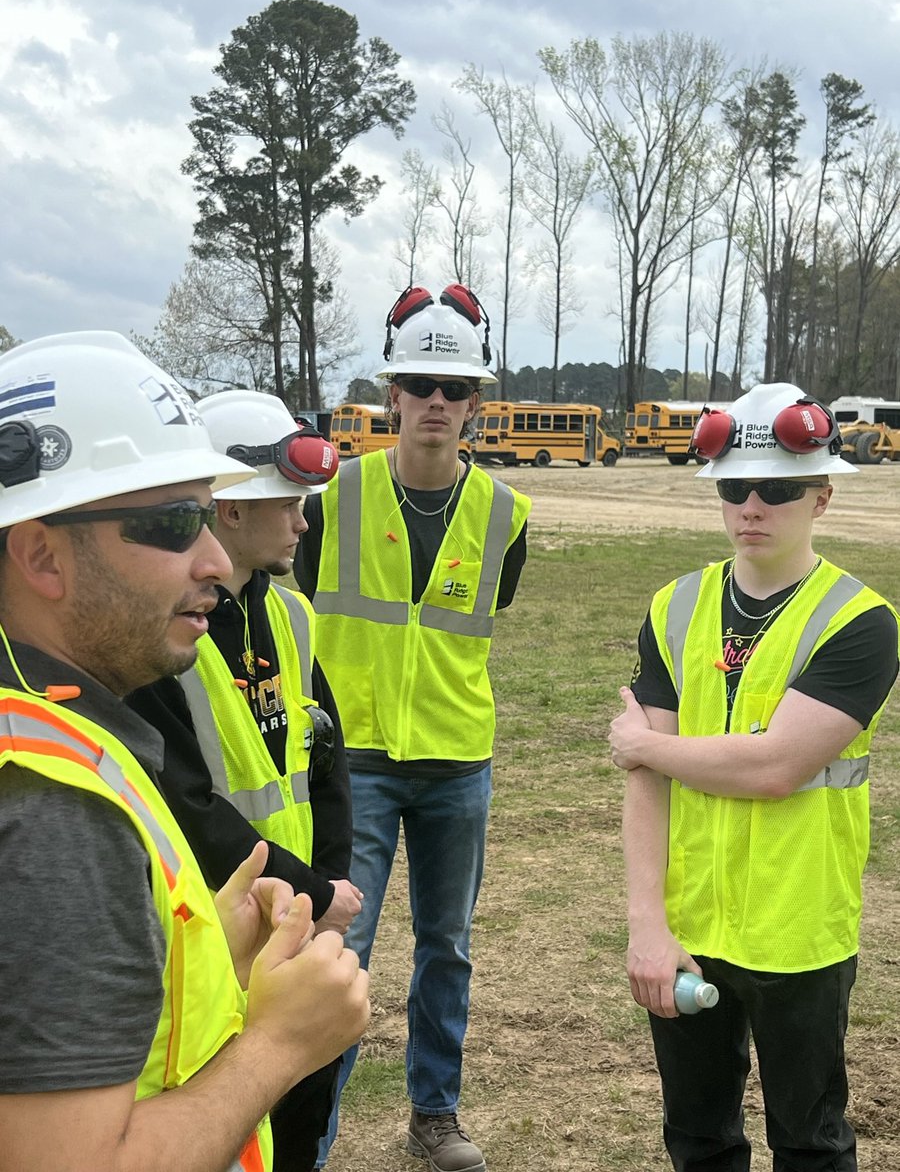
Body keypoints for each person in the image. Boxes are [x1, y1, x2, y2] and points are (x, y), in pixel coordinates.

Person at [0, 332, 369, 1172]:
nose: (211, 558)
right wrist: (280, 1046)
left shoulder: (61, 727)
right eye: (171, 523)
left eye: (207, 516)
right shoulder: (54, 811)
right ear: (40, 554)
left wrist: (201, 959)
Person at [609, 382, 899, 1172]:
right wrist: (647, 926)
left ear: (823, 497)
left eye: (778, 489)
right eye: (737, 487)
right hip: (689, 921)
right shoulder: (675, 607)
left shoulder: (860, 621)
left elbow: (778, 767)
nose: (753, 506)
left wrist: (648, 746)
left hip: (799, 929)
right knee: (697, 1140)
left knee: (811, 1144)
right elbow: (646, 789)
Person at [295, 285, 531, 1172]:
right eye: (421, 383)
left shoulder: (508, 516)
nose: (438, 402)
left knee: (448, 947)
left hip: (456, 762)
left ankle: (434, 1115)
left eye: (456, 387)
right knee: (338, 946)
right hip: (352, 760)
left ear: (478, 403)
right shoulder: (329, 500)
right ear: (391, 391)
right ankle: (311, 1131)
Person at [127, 389, 362, 1172]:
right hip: (216, 927)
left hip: (297, 918)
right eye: (287, 504)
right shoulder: (163, 635)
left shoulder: (291, 615)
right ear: (229, 508)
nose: (302, 521)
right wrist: (314, 892)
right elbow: (185, 800)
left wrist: (330, 880)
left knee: (302, 1115)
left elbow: (324, 760)